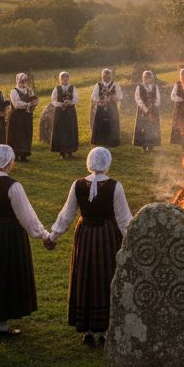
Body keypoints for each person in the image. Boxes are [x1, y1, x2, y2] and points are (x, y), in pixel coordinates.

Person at [48, 147, 133, 346]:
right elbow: (124, 220)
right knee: (105, 276)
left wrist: (53, 236)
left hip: (85, 234)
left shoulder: (78, 185)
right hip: (107, 235)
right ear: (107, 163)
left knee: (85, 275)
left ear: (89, 162)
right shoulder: (115, 186)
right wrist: (133, 242)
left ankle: (87, 330)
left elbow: (66, 214)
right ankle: (103, 331)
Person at [0, 145, 52, 337]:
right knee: (6, 273)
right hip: (8, 236)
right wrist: (44, 235)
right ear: (8, 162)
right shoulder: (13, 186)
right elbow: (27, 216)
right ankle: (1, 324)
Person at [7, 73, 38, 162]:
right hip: (17, 116)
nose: (23, 82)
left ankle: (24, 155)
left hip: (27, 116)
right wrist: (28, 104)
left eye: (25, 80)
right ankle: (16, 155)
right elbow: (16, 104)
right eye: (21, 80)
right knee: (16, 135)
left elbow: (34, 100)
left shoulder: (29, 90)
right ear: (17, 80)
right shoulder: (14, 91)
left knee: (26, 134)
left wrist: (34, 104)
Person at [50, 72, 79, 159]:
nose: (65, 80)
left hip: (70, 112)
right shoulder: (57, 88)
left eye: (66, 78)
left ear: (68, 79)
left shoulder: (72, 88)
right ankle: (62, 153)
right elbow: (53, 100)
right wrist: (61, 104)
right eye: (63, 79)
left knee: (70, 130)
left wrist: (70, 102)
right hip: (60, 112)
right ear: (60, 79)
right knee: (60, 131)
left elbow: (76, 99)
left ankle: (70, 152)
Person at [90, 69, 122, 148]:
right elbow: (94, 96)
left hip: (112, 108)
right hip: (101, 107)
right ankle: (100, 141)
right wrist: (99, 101)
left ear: (111, 76)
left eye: (108, 76)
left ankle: (112, 142)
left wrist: (114, 98)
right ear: (102, 76)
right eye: (104, 76)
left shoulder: (115, 84)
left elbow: (120, 95)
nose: (106, 77)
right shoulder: (98, 85)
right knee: (100, 123)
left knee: (112, 124)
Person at [133, 71, 162, 152]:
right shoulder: (139, 87)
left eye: (149, 78)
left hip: (153, 111)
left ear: (151, 78)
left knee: (152, 128)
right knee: (143, 128)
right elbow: (137, 98)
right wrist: (145, 108)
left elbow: (158, 99)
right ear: (143, 78)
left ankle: (151, 145)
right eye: (145, 77)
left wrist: (153, 106)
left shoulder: (155, 87)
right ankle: (144, 146)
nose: (147, 79)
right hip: (142, 111)